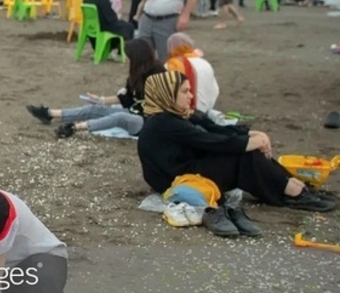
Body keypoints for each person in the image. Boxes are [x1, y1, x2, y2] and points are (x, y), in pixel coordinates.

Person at [136, 71, 334, 216]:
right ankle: (290, 190)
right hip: (174, 178)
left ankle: (290, 185)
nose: (191, 96)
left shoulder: (179, 115)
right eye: (185, 91)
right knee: (242, 156)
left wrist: (250, 134)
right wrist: (248, 143)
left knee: (245, 149)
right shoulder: (164, 123)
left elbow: (214, 128)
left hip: (187, 167)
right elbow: (209, 141)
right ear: (167, 94)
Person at [25, 38, 165, 138]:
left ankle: (74, 128)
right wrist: (101, 100)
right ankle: (49, 113)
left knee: (120, 117)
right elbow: (127, 98)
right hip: (133, 112)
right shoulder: (136, 72)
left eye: (128, 56)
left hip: (147, 122)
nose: (126, 59)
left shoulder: (157, 72)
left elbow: (164, 102)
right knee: (95, 109)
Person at [164, 32, 219, 114]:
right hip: (205, 111)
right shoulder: (204, 63)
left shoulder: (168, 66)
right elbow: (215, 90)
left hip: (182, 114)